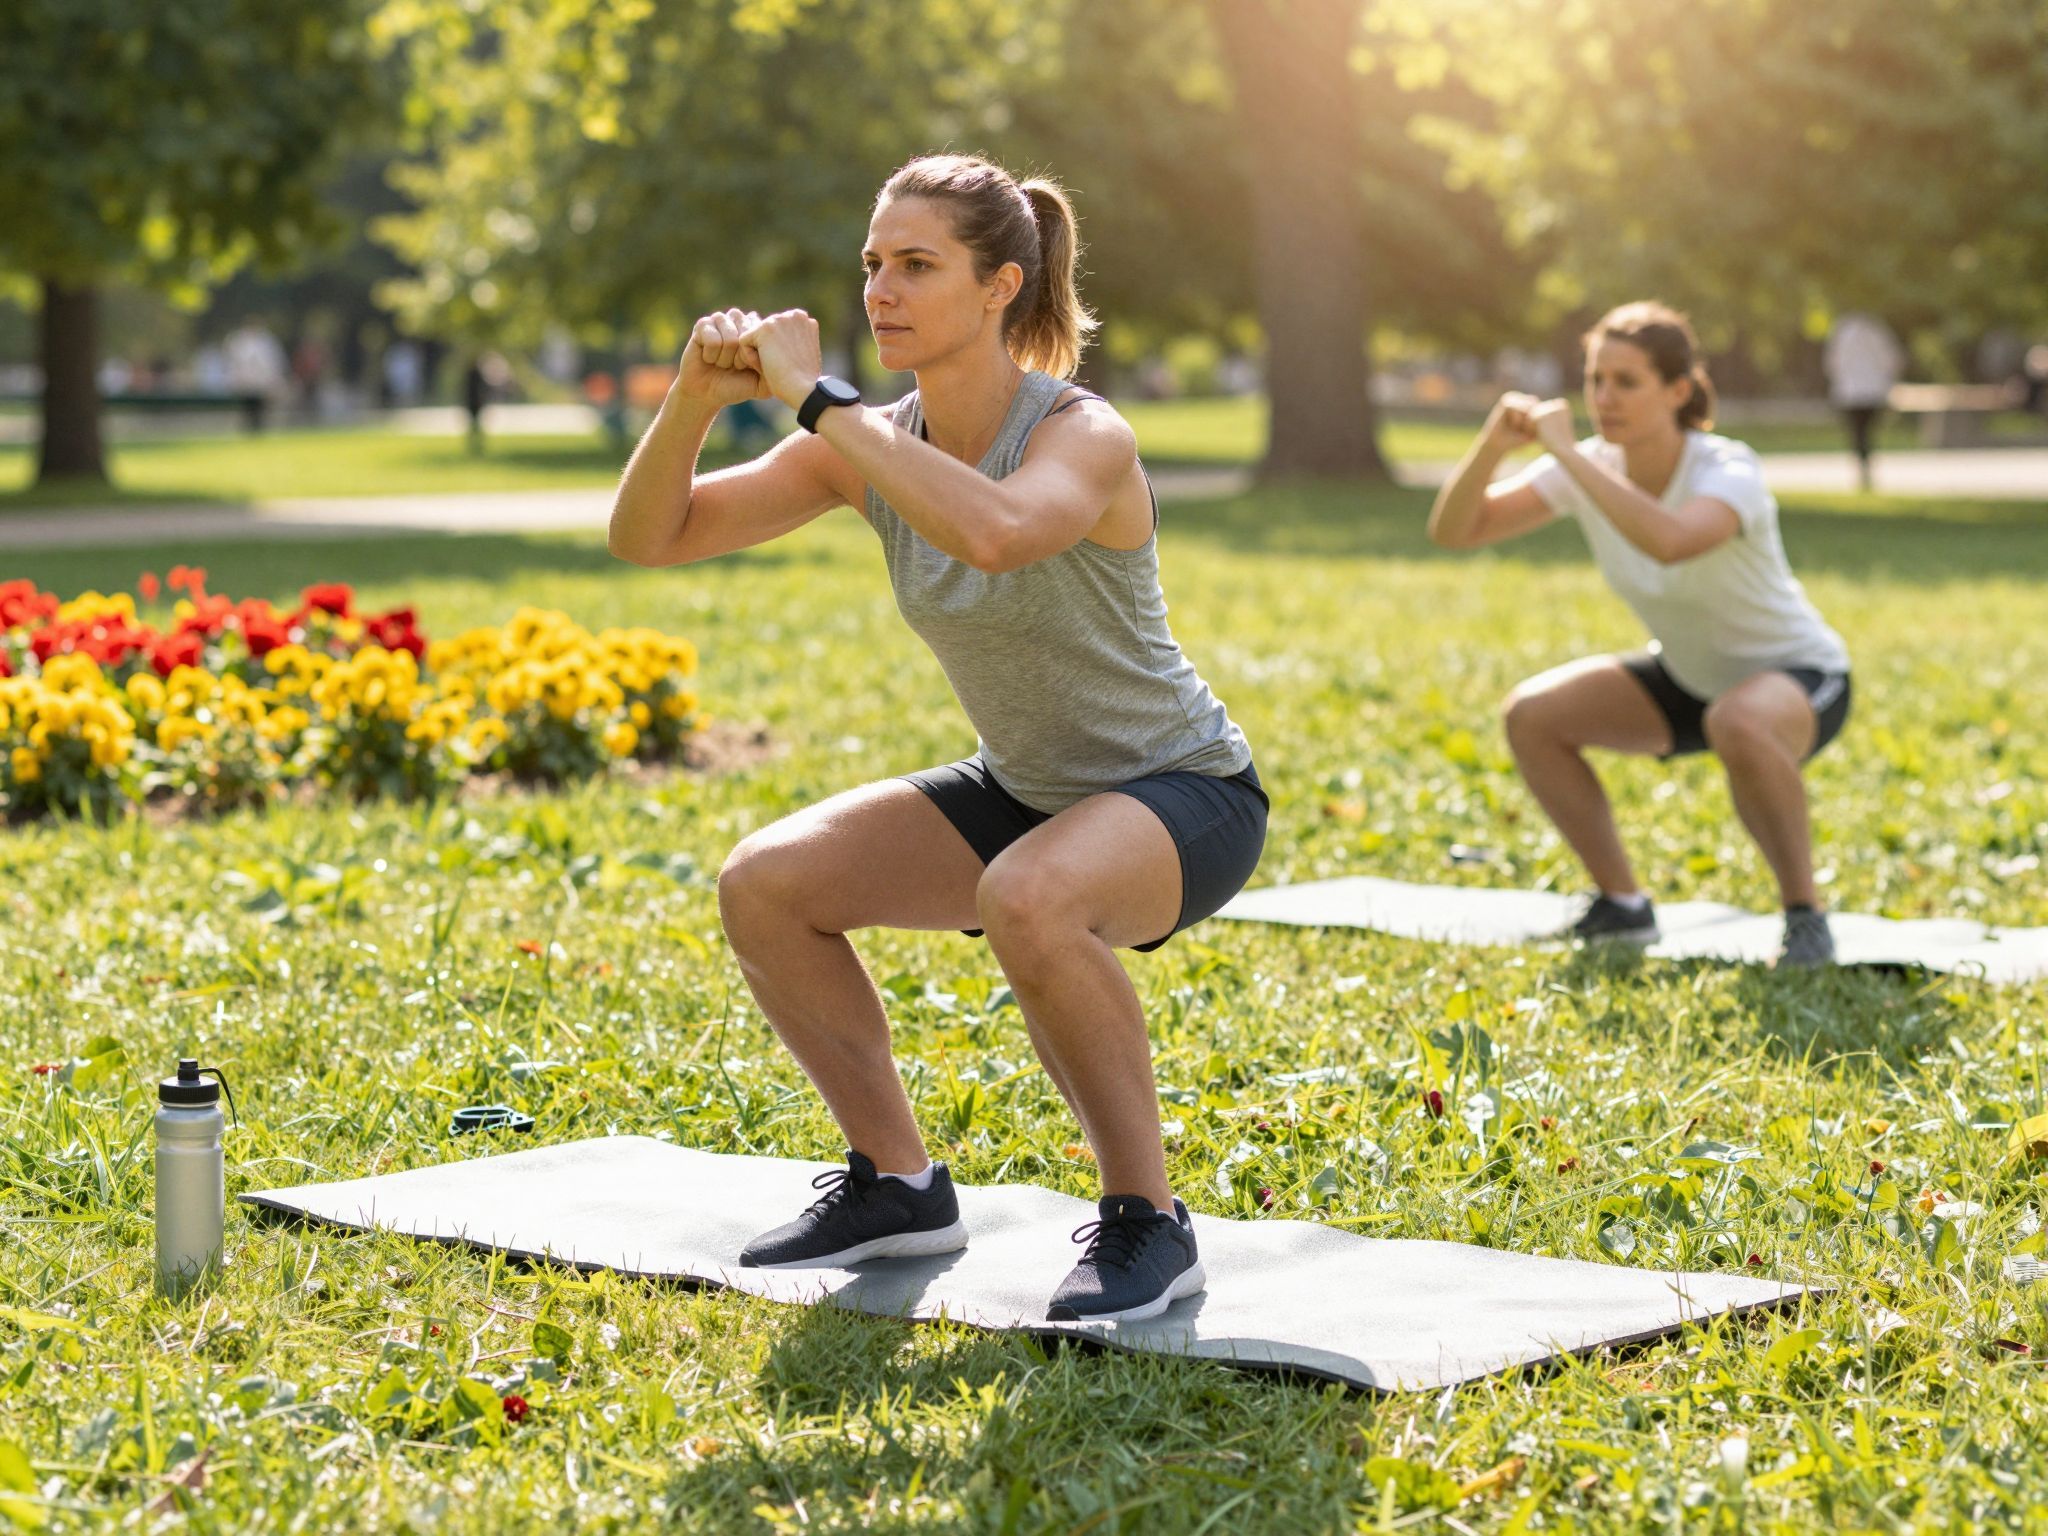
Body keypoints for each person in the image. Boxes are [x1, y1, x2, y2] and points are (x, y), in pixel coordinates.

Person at [608, 154, 1266, 1322]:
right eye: (872, 264)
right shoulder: (864, 444)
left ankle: (1149, 1221)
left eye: (916, 266)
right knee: (766, 884)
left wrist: (821, 403)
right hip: (1030, 790)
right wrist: (692, 402)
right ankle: (900, 1186)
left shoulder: (1079, 431)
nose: (880, 290)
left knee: (1027, 895)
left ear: (999, 285)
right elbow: (652, 536)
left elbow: (1002, 533)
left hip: (1183, 792)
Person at [1427, 301, 1852, 969]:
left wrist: (1564, 451)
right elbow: (1456, 531)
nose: (1604, 398)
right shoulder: (1589, 466)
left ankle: (1806, 918)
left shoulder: (1725, 468)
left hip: (1800, 676)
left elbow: (1672, 542)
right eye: (1596, 379)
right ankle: (1622, 906)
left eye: (1627, 381)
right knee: (1534, 717)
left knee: (1738, 722)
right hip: (1691, 678)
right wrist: (1492, 447)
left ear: (1678, 391)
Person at [1823, 312, 1905, 492]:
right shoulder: (1877, 330)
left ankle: (1863, 466)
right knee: (1866, 432)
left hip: (1851, 391)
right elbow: (1891, 360)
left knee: (1858, 432)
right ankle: (1865, 467)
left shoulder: (1842, 331)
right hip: (1872, 390)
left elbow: (1832, 362)